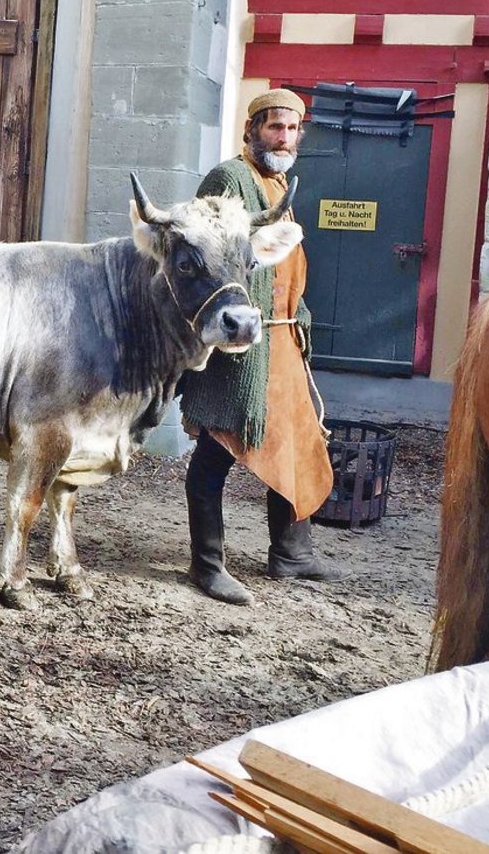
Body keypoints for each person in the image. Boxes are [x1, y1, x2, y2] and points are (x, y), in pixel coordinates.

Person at [176, 88, 347, 605]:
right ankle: (206, 564)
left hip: (283, 337)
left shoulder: (277, 182)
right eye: (275, 127)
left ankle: (291, 554)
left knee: (295, 440)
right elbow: (210, 256)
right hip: (241, 343)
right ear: (251, 130)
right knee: (217, 450)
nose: (285, 137)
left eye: (293, 129)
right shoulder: (230, 178)